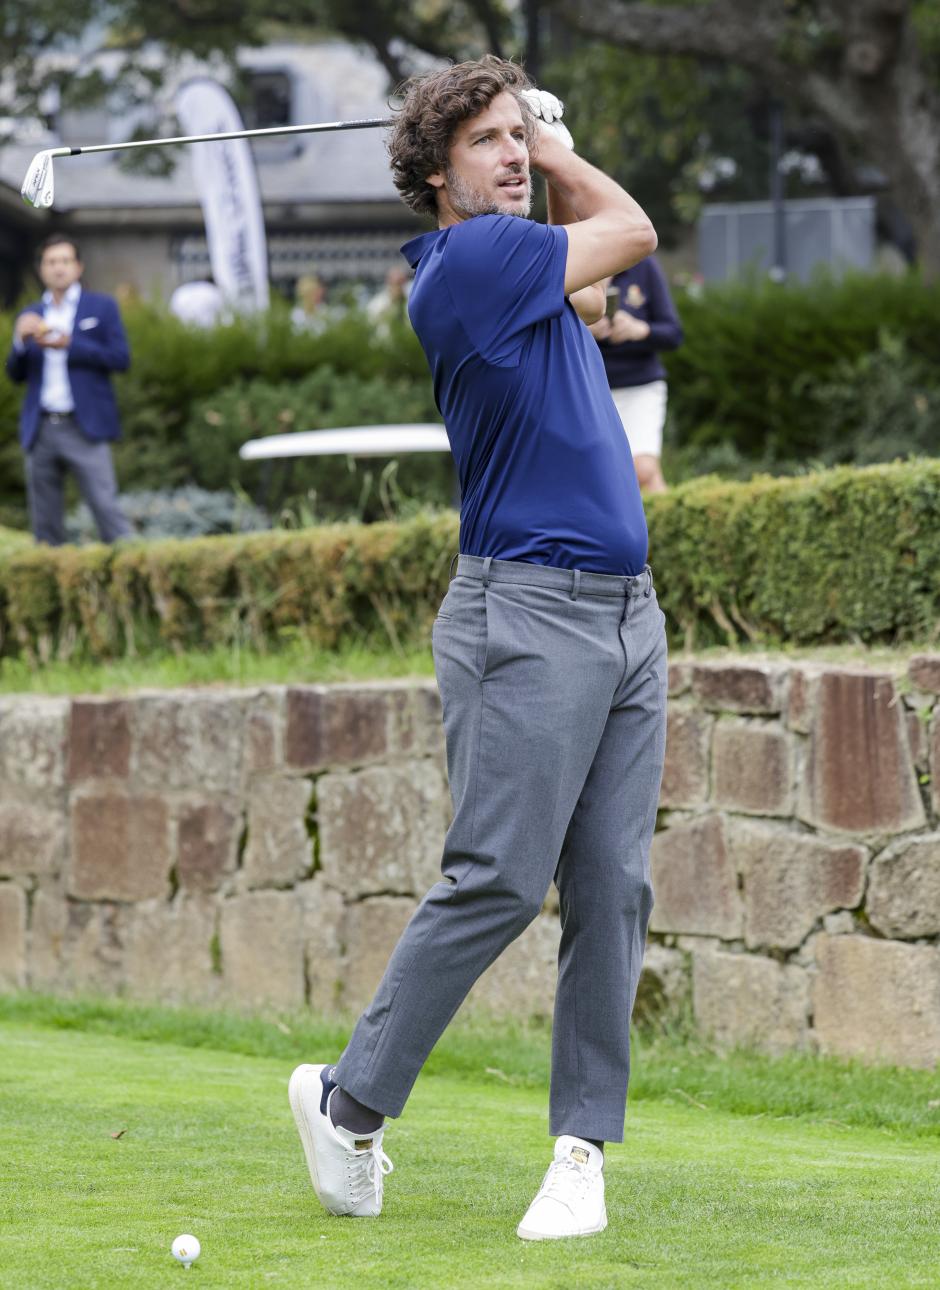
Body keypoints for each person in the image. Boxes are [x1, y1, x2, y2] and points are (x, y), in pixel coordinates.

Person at [288, 57, 667, 1243]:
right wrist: (562, 154)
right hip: (529, 614)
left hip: (624, 612)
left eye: (520, 133)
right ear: (438, 177)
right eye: (491, 141)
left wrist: (543, 164)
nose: (513, 152)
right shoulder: (473, 264)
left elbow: (603, 298)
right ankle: (350, 1103)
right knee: (499, 875)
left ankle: (579, 1153)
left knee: (613, 884)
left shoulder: (516, 271)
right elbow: (636, 231)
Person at [5, 235, 132, 545]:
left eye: (64, 261)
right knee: (45, 525)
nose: (58, 268)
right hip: (42, 426)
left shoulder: (101, 307)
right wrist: (20, 343)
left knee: (107, 511)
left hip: (84, 425)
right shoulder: (33, 313)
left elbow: (120, 359)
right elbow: (15, 374)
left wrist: (71, 344)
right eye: (51, 262)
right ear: (41, 270)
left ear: (78, 267)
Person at [589, 258, 683, 494]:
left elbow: (673, 334)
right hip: (589, 390)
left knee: (642, 469)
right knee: (600, 478)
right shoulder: (576, 263)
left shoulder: (643, 266)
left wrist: (638, 329)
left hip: (639, 385)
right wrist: (584, 330)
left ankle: (667, 525)